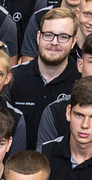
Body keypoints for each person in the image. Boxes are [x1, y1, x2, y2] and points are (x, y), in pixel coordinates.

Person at [6, 9, 80, 142]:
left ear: (74, 41)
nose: (54, 42)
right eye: (48, 35)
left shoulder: (81, 83)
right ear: (38, 37)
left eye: (63, 37)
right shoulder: (13, 77)